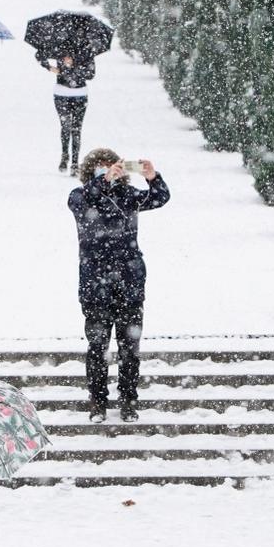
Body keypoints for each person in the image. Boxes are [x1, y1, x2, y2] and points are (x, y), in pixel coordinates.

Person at [67, 149, 171, 423]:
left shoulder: (128, 196)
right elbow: (88, 197)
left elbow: (159, 198)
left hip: (129, 281)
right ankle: (98, 402)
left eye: (111, 166)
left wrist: (152, 177)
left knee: (129, 348)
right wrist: (103, 182)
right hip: (95, 283)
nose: (107, 171)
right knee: (98, 347)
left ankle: (128, 399)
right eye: (100, 167)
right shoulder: (80, 196)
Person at [38, 48, 96, 173]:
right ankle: (65, 156)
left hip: (80, 94)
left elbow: (91, 74)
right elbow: (39, 54)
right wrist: (49, 67)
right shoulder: (59, 46)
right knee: (65, 126)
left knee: (76, 128)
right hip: (61, 94)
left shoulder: (86, 50)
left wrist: (73, 65)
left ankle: (75, 162)